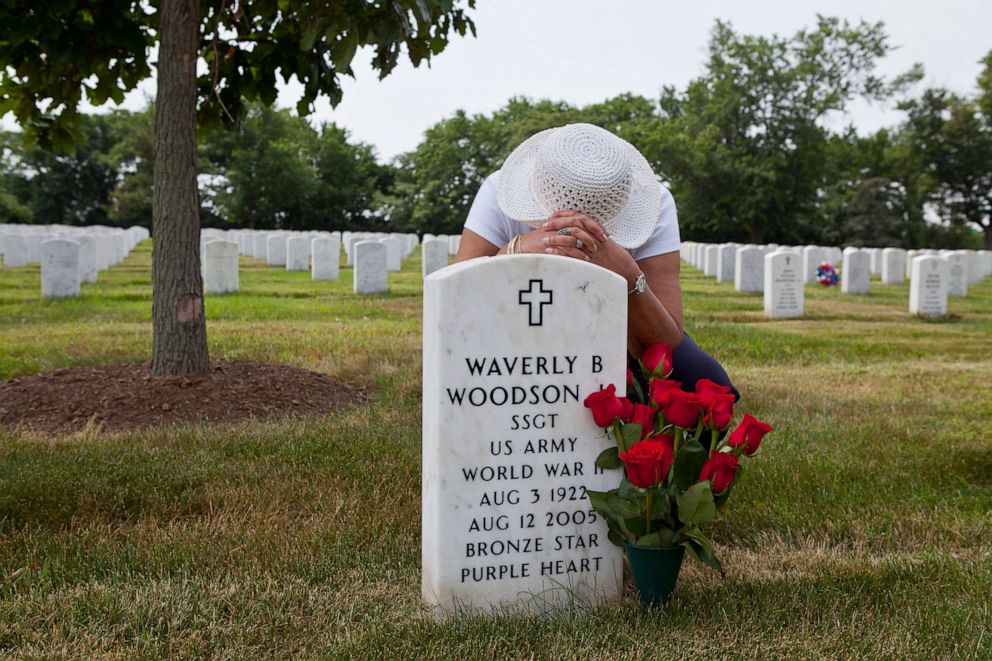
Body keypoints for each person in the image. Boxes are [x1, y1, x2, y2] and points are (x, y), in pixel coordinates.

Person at [453, 123, 738, 399]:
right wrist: (518, 250)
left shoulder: (656, 204)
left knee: (704, 383)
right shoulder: (497, 190)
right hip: (515, 330)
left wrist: (627, 275)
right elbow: (455, 303)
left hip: (617, 331)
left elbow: (668, 338)